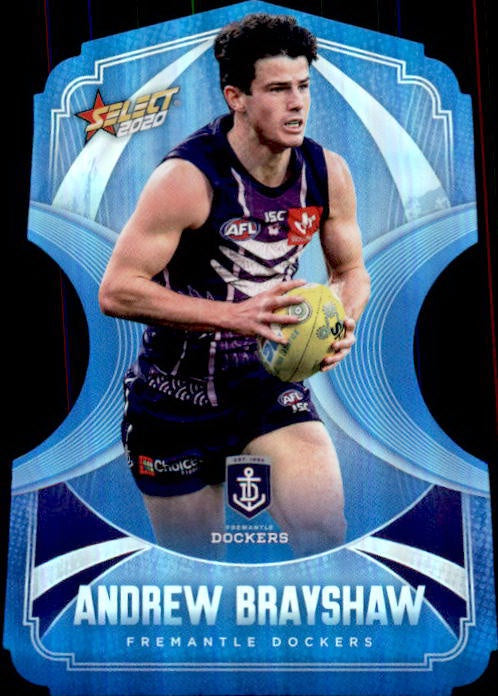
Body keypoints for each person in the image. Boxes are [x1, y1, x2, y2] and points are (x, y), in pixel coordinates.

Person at [99, 13, 370, 558]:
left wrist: (342, 320)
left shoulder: (327, 172)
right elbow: (118, 290)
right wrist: (236, 315)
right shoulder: (186, 179)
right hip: (174, 398)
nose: (297, 104)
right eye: (277, 89)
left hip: (265, 385)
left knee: (323, 532)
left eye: (303, 87)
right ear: (236, 97)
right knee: (199, 562)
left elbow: (351, 272)